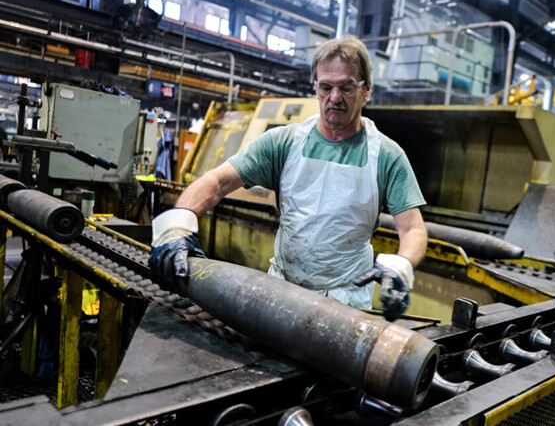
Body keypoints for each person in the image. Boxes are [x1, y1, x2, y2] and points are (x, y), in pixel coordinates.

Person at [150, 36, 427, 320]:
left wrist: (400, 266)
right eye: (325, 87)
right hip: (281, 291)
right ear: (316, 88)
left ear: (365, 91)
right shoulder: (284, 142)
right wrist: (177, 228)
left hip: (345, 303)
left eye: (346, 87)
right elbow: (216, 182)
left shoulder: (386, 156)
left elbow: (413, 229)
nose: (334, 97)